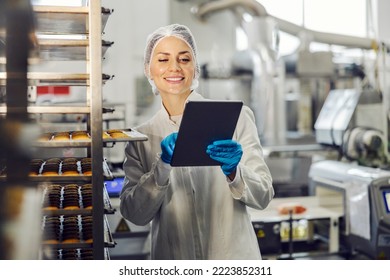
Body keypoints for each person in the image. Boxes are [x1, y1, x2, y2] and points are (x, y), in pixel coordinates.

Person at [119, 23, 274, 260]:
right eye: (163, 60)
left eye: (184, 59)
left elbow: (263, 195)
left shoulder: (236, 117)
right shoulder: (141, 137)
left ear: (195, 68)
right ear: (148, 69)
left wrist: (235, 172)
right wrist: (161, 169)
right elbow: (134, 214)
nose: (174, 68)